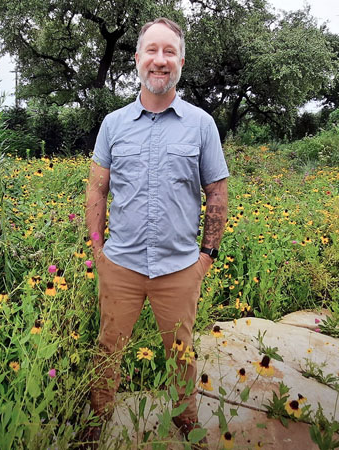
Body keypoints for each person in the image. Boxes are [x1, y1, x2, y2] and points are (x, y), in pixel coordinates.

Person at [81, 17, 229, 448]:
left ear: (181, 61)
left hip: (179, 267)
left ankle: (186, 418)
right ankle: (98, 416)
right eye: (152, 51)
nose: (159, 60)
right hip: (121, 264)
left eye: (169, 52)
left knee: (181, 354)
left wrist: (206, 258)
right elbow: (97, 188)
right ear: (138, 59)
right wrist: (98, 252)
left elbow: (216, 193)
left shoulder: (201, 125)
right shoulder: (113, 124)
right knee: (108, 348)